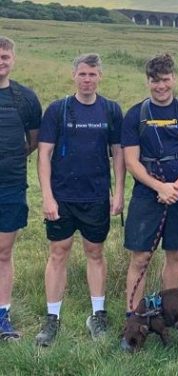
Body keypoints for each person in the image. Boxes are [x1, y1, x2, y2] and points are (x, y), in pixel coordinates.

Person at [35, 54, 125, 346]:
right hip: (62, 197)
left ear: (101, 77)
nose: (88, 80)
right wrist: (48, 196)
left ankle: (98, 314)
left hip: (96, 195)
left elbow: (118, 154)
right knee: (58, 253)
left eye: (93, 74)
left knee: (95, 252)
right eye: (83, 74)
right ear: (74, 76)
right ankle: (52, 318)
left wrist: (119, 192)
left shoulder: (111, 110)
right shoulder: (58, 109)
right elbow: (44, 154)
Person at [121, 53, 178, 316]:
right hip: (148, 195)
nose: (161, 86)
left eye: (166, 80)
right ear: (147, 81)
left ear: (174, 79)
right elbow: (132, 162)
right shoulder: (135, 114)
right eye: (155, 81)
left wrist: (175, 187)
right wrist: (160, 187)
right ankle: (134, 315)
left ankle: (168, 312)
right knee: (141, 257)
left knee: (175, 254)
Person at [0, 36, 42, 341]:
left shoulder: (25, 98)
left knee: (3, 252)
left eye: (4, 56)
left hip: (11, 185)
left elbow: (33, 142)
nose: (0, 61)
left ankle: (2, 317)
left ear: (13, 59)